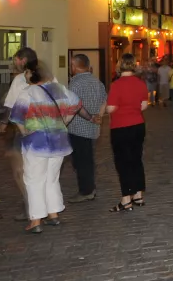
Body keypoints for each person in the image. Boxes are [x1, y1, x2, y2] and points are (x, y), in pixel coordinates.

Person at [8, 58, 81, 233]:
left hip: (37, 143)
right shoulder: (60, 89)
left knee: (34, 180)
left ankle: (35, 220)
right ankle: (53, 214)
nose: (24, 74)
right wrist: (64, 121)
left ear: (33, 73)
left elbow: (17, 116)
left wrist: (25, 131)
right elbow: (76, 103)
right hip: (59, 142)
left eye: (26, 71)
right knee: (52, 178)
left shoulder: (28, 92)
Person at [103, 54, 149, 213]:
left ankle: (126, 200)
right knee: (136, 160)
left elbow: (111, 108)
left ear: (119, 65)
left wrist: (107, 106)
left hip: (121, 126)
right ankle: (138, 195)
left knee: (123, 163)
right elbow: (143, 106)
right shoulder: (140, 83)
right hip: (138, 125)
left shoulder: (117, 85)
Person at [0, 46, 36, 221]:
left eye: (15, 60)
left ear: (23, 60)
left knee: (20, 171)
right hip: (44, 129)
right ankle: (45, 208)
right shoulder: (49, 78)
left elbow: (11, 105)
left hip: (24, 130)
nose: (14, 63)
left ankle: (31, 205)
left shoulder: (19, 80)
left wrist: (3, 123)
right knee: (36, 170)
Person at [66, 54, 107, 203]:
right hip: (93, 129)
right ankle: (89, 187)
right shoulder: (97, 82)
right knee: (87, 159)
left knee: (81, 161)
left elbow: (73, 106)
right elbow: (104, 100)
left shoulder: (74, 84)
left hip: (78, 128)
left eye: (71, 65)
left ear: (75, 66)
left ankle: (86, 190)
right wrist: (99, 117)